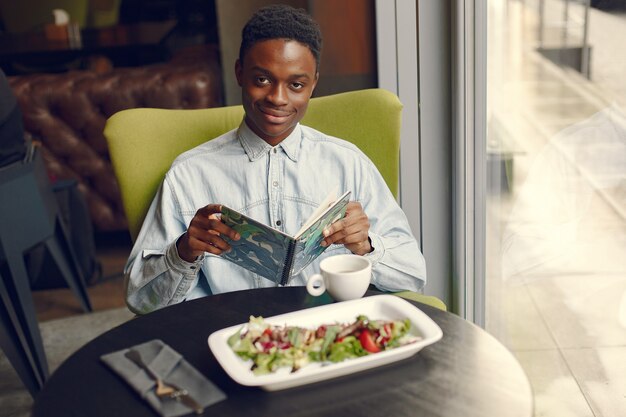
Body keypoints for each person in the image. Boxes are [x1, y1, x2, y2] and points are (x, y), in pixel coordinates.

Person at [124, 4, 427, 314]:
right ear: (240, 73)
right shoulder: (187, 175)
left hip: (328, 331)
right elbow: (140, 299)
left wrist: (366, 245)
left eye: (296, 85)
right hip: (233, 335)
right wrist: (185, 251)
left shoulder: (348, 164)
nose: (278, 98)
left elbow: (413, 274)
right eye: (262, 80)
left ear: (313, 84)